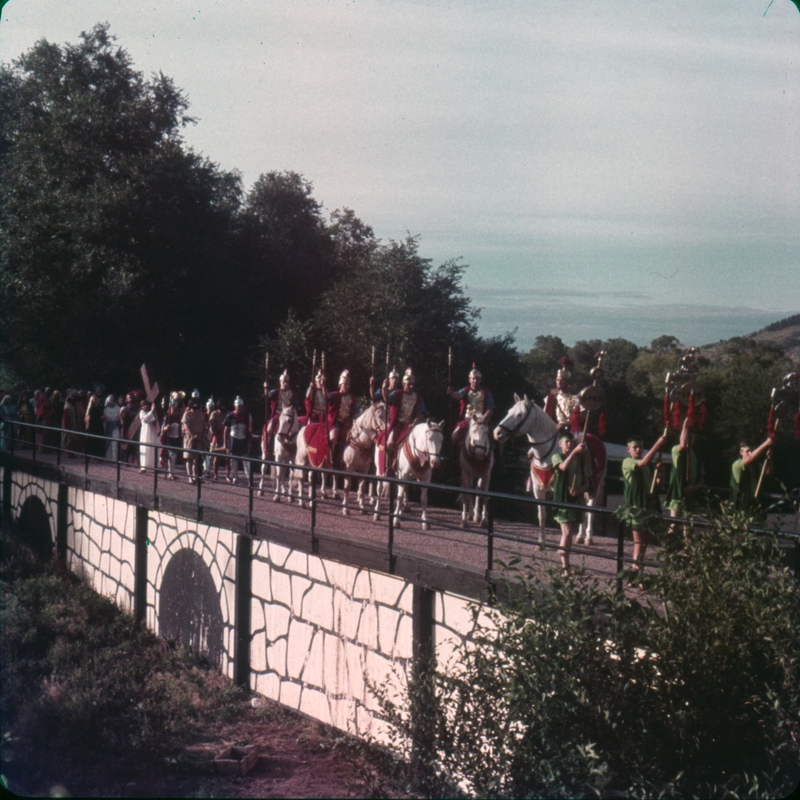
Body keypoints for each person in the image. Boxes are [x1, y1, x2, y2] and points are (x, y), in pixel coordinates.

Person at [622, 432, 667, 577]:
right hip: (636, 508)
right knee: (639, 543)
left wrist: (660, 469)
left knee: (645, 544)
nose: (638, 450)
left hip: (649, 507)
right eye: (635, 447)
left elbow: (658, 484)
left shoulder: (648, 466)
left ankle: (637, 573)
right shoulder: (628, 462)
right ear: (628, 449)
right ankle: (636, 574)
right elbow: (642, 463)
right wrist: (658, 444)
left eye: (641, 447)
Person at [551, 430, 589, 574]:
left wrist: (579, 491)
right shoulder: (556, 457)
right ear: (560, 444)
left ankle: (566, 564)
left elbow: (586, 483)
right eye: (566, 442)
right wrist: (574, 453)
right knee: (566, 532)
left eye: (571, 442)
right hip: (562, 499)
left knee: (570, 533)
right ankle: (564, 567)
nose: (569, 444)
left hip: (575, 499)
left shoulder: (579, 461)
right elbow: (563, 467)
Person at [665, 416, 704, 528]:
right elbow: (682, 444)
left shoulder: (696, 456)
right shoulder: (676, 449)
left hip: (691, 494)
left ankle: (687, 545)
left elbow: (701, 479)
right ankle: (669, 543)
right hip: (677, 492)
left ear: (694, 440)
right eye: (686, 438)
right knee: (674, 524)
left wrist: (695, 487)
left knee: (689, 526)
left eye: (690, 438)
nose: (688, 440)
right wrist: (685, 425)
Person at [448, 364, 495, 448]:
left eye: (477, 379)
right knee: (454, 437)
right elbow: (458, 395)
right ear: (470, 380)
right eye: (473, 379)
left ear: (480, 380)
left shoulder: (486, 393)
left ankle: (497, 459)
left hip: (482, 421)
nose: (475, 381)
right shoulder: (466, 390)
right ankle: (454, 459)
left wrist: (484, 419)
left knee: (494, 439)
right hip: (467, 420)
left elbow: (490, 409)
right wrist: (452, 393)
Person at [730, 437, 773, 513]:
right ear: (741, 452)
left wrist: (769, 460)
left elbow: (768, 473)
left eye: (752, 451)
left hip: (755, 507)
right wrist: (766, 443)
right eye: (747, 451)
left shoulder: (757, 466)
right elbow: (750, 458)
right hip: (740, 508)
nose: (750, 453)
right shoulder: (737, 464)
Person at [327, 369, 359, 463]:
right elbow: (327, 396)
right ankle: (330, 457)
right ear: (340, 385)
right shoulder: (335, 395)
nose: (346, 386)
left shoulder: (352, 398)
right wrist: (323, 385)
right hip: (336, 422)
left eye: (348, 384)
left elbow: (356, 412)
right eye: (345, 384)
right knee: (333, 438)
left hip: (347, 423)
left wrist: (356, 419)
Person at [224, 396, 253, 484]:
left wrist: (249, 442)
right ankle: (235, 477)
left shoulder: (247, 416)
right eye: (238, 406)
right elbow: (226, 430)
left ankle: (249, 478)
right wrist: (225, 443)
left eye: (241, 406)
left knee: (245, 459)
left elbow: (249, 430)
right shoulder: (230, 416)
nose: (240, 408)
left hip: (243, 439)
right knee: (233, 459)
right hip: (233, 439)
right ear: (235, 406)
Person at [543, 358, 579, 427]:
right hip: (554, 429)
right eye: (557, 380)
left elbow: (581, 417)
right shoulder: (551, 396)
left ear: (568, 382)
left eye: (562, 380)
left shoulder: (575, 398)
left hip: (571, 430)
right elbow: (544, 414)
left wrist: (564, 424)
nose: (559, 382)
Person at [182, 391, 208, 484]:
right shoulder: (187, 414)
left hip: (199, 438)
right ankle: (189, 477)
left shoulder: (201, 414)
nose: (196, 404)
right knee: (189, 458)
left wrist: (202, 435)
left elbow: (204, 425)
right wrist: (193, 435)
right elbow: (186, 426)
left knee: (197, 459)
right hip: (190, 439)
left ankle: (195, 476)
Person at [161, 398, 183, 479]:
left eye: (175, 407)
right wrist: (167, 427)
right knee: (171, 455)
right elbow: (163, 428)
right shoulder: (167, 417)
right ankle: (170, 473)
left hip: (177, 438)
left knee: (175, 456)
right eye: (173, 406)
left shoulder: (178, 416)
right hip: (169, 438)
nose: (174, 408)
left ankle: (172, 473)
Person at [208, 398, 228, 480]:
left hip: (226, 437)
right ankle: (215, 474)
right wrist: (215, 432)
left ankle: (227, 475)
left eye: (224, 406)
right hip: (217, 436)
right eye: (222, 406)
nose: (224, 407)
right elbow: (211, 426)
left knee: (227, 457)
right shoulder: (214, 414)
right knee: (216, 457)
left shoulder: (228, 414)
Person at [138, 399, 159, 472]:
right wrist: (152, 411)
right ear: (142, 407)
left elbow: (153, 419)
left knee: (152, 449)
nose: (145, 406)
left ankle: (153, 466)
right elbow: (146, 419)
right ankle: (143, 467)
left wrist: (152, 411)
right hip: (145, 433)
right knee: (144, 448)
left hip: (151, 432)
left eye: (146, 404)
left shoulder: (151, 412)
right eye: (143, 405)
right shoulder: (141, 413)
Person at [84, 390, 105, 459]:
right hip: (92, 426)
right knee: (90, 441)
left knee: (98, 441)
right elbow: (89, 417)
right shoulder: (90, 409)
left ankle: (97, 457)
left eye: (96, 399)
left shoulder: (100, 407)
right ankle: (89, 456)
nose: (95, 400)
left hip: (98, 426)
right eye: (94, 399)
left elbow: (101, 415)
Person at [103, 395, 121, 462]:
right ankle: (107, 458)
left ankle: (114, 459)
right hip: (108, 428)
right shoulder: (105, 409)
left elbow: (117, 417)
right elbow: (106, 418)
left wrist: (111, 418)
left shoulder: (118, 408)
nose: (111, 402)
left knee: (114, 443)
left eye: (112, 400)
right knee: (108, 443)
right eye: (109, 400)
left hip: (115, 428)